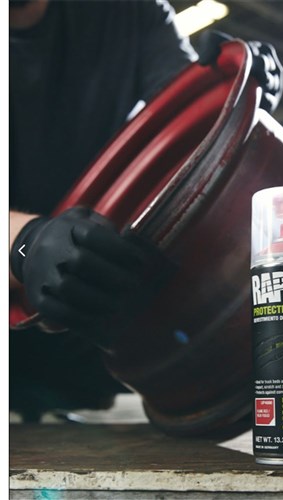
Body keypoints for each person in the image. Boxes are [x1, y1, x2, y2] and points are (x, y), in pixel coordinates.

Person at [9, 0, 198, 421]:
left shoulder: (130, 12)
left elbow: (192, 117)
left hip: (86, 340)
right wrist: (24, 245)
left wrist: (240, 91)